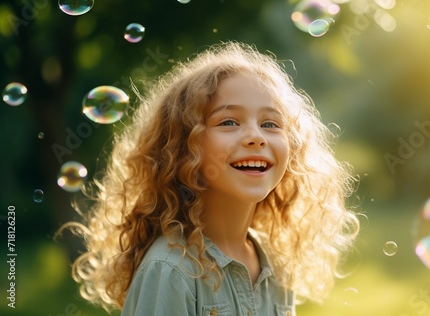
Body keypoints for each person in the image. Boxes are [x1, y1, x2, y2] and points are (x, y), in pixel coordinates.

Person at [61, 41, 359, 315]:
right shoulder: (171, 270)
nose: (256, 136)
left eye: (270, 123)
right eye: (228, 121)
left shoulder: (273, 264)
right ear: (182, 147)